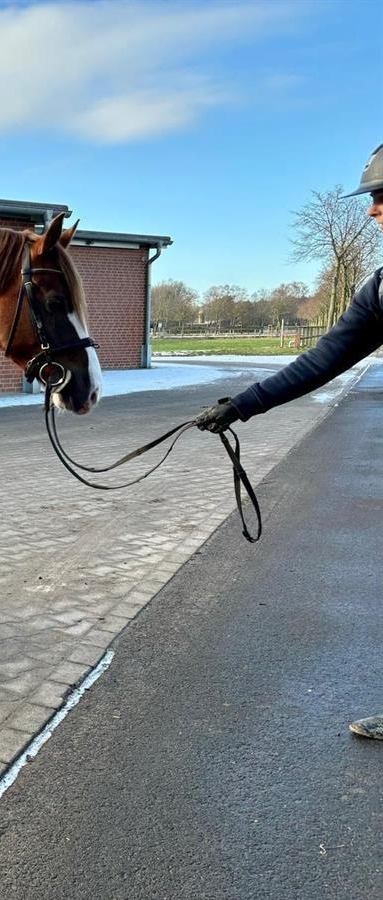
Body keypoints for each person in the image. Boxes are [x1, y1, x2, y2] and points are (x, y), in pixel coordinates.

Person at [196, 143, 383, 739]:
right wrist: (242, 405)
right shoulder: (381, 289)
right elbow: (325, 358)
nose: (373, 211)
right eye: (373, 199)